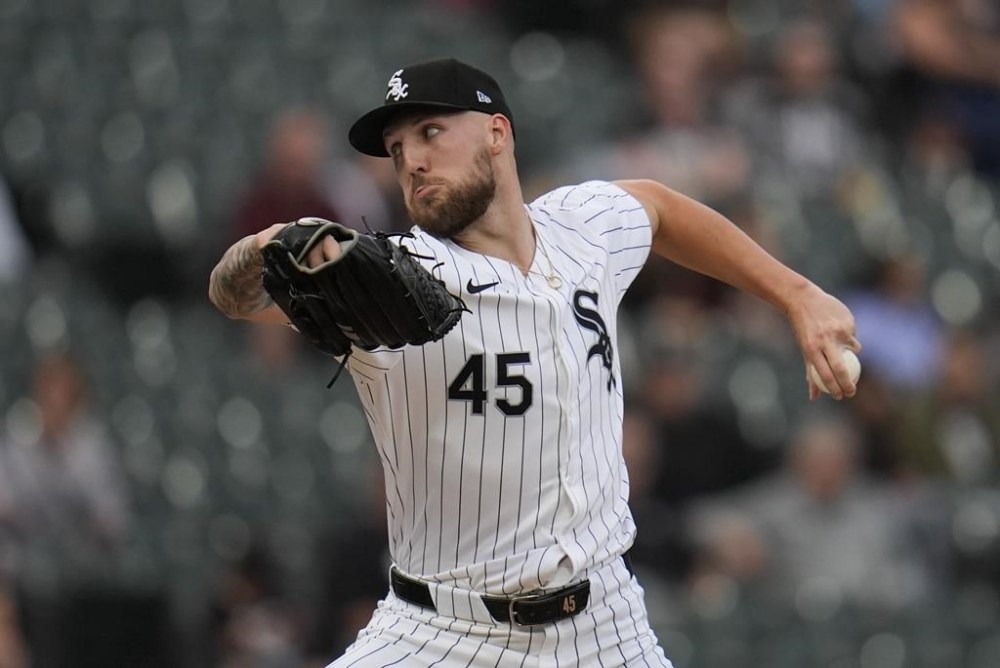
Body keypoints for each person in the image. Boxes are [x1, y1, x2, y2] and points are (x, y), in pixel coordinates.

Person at [208, 58, 860, 667]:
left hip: (605, 623)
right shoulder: (394, 280)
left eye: (431, 132)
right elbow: (235, 299)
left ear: (497, 133)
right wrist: (264, 251)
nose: (413, 161)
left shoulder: (582, 226)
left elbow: (660, 210)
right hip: (442, 634)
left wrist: (797, 295)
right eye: (399, 150)